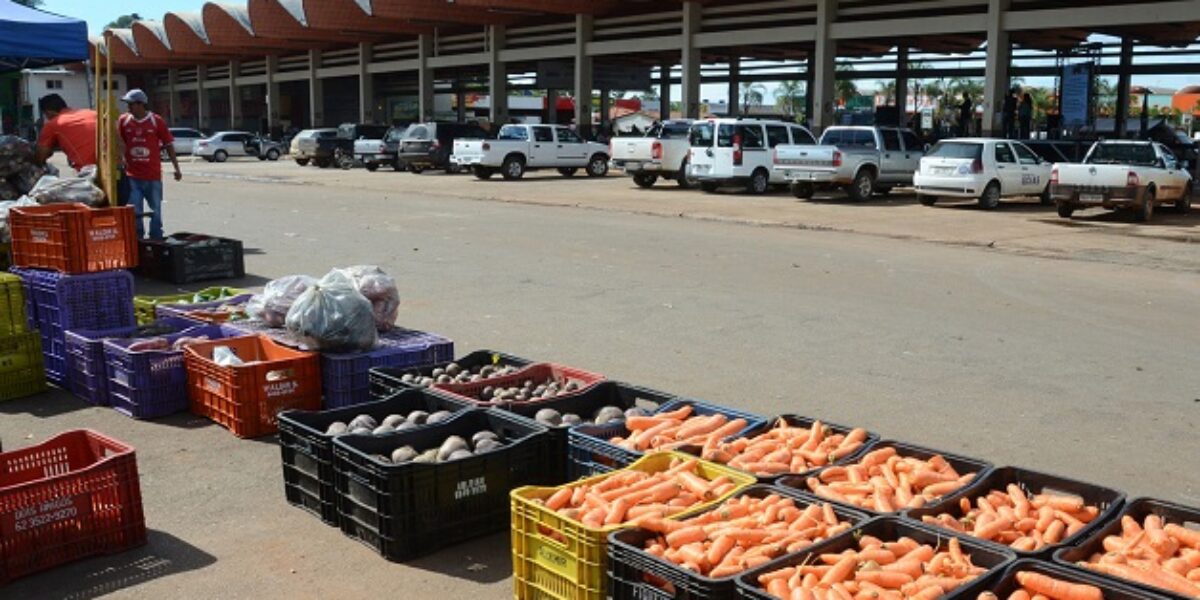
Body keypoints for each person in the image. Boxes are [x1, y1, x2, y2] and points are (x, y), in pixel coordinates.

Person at [117, 89, 181, 240]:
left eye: (130, 104)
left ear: (140, 104)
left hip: (152, 176)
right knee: (134, 210)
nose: (128, 107)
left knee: (156, 209)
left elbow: (169, 144)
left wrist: (176, 168)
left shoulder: (156, 121)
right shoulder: (123, 121)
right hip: (132, 176)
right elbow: (117, 142)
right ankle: (138, 238)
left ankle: (156, 237)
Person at [34, 93, 98, 172]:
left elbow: (41, 156)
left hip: (89, 171)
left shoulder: (53, 124)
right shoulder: (92, 113)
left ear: (48, 112)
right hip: (114, 164)